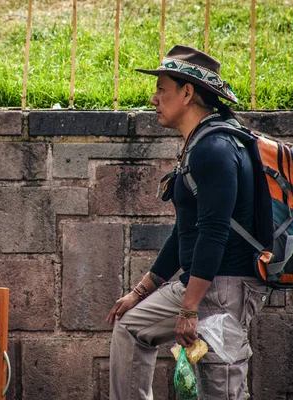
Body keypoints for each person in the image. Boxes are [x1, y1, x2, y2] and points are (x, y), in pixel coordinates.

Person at [106, 45, 271, 399]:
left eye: (161, 89)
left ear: (187, 92)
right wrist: (140, 292)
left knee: (220, 390)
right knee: (131, 326)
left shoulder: (216, 149)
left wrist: (188, 308)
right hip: (201, 282)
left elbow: (214, 233)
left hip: (223, 288)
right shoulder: (200, 145)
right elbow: (187, 232)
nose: (153, 99)